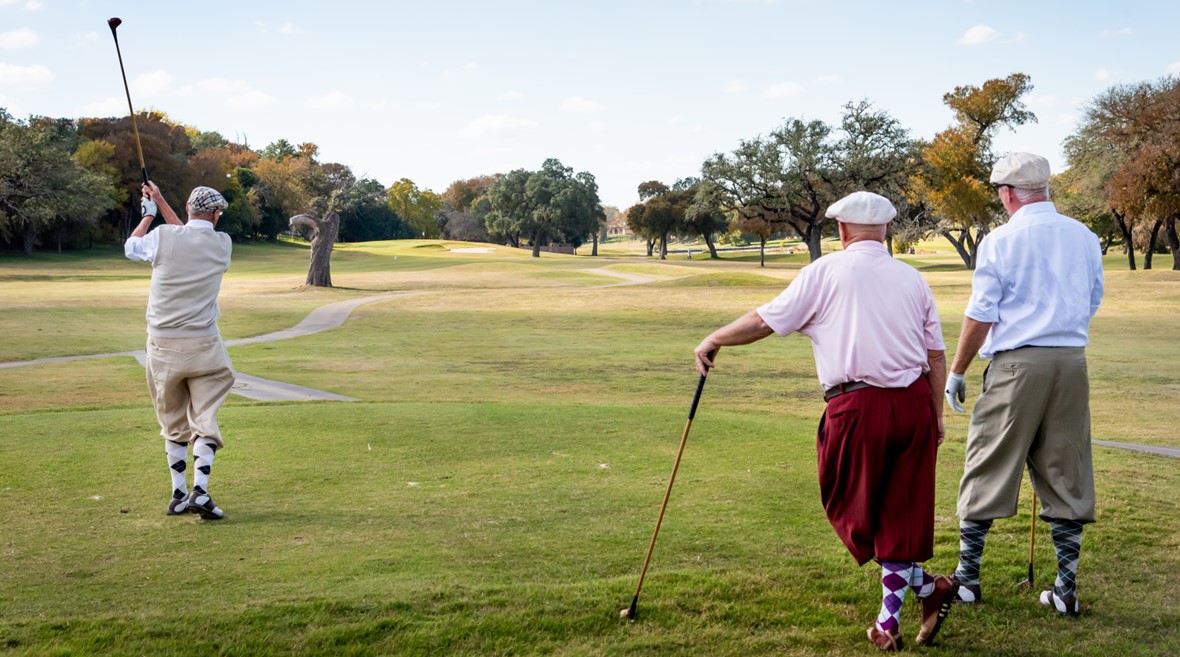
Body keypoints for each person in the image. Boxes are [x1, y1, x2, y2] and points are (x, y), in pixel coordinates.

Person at [694, 191, 957, 651]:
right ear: (887, 230)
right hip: (914, 404)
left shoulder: (823, 272)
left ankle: (888, 622)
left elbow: (764, 321)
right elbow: (935, 356)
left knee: (852, 505)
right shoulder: (912, 278)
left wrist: (716, 337)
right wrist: (934, 417)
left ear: (840, 231)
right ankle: (929, 589)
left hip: (856, 408)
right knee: (894, 513)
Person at [945, 152, 1104, 617]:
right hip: (1071, 363)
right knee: (1066, 467)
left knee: (987, 461)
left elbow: (982, 312)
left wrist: (958, 371)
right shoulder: (1085, 235)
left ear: (1007, 193)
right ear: (1046, 188)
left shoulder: (1000, 239)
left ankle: (968, 580)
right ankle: (1066, 589)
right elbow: (1091, 298)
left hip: (1017, 364)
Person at [125, 182, 234, 520]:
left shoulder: (162, 238)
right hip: (205, 347)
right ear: (216, 215)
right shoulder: (221, 244)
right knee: (204, 422)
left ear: (187, 208)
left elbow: (131, 247)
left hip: (162, 347)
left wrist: (149, 214)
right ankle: (199, 490)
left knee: (173, 424)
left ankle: (178, 494)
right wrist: (160, 199)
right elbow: (191, 234)